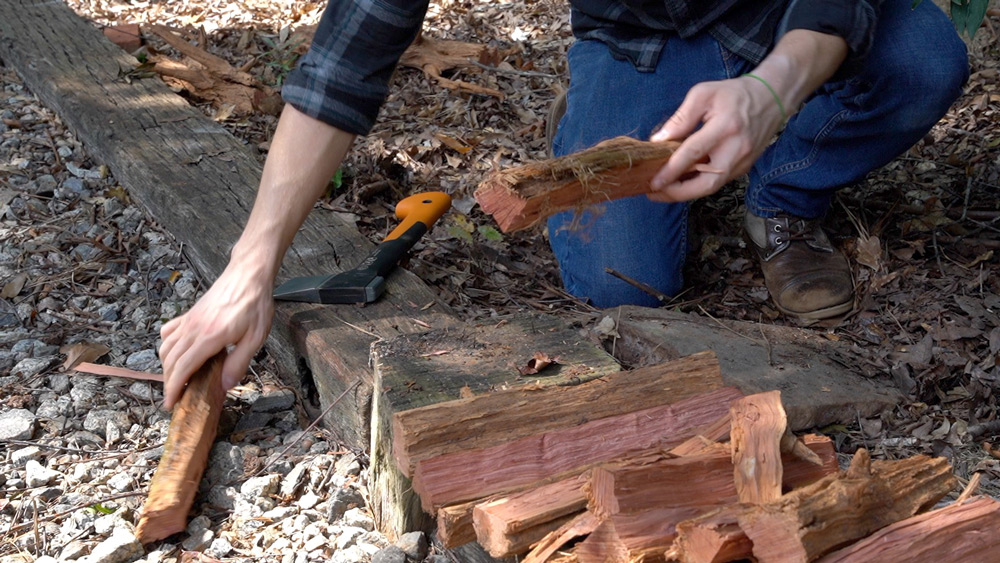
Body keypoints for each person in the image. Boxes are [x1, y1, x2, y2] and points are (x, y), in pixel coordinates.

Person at [158, 0, 969, 408]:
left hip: (794, 20)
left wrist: (770, 89)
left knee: (925, 59)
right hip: (642, 38)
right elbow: (348, 58)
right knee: (625, 279)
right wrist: (249, 266)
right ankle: (607, 123)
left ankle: (784, 190)